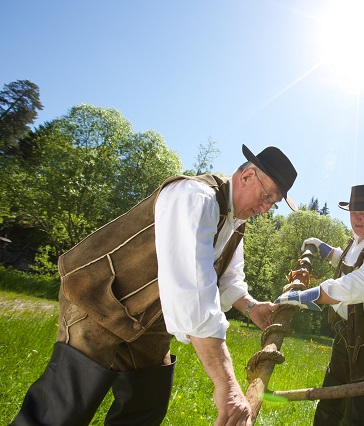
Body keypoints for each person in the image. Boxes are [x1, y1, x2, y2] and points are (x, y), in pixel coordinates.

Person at [12, 144, 298, 426]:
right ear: (247, 176)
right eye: (266, 196)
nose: (265, 208)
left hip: (149, 320)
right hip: (99, 299)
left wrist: (251, 307)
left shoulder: (236, 223)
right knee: (64, 408)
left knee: (146, 406)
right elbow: (192, 293)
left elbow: (228, 278)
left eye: (272, 204)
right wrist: (228, 385)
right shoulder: (196, 198)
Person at [275, 184, 364, 425]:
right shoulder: (361, 238)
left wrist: (308, 296)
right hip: (346, 334)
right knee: (331, 397)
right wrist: (323, 248)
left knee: (360, 411)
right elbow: (349, 264)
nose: (356, 218)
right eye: (353, 213)